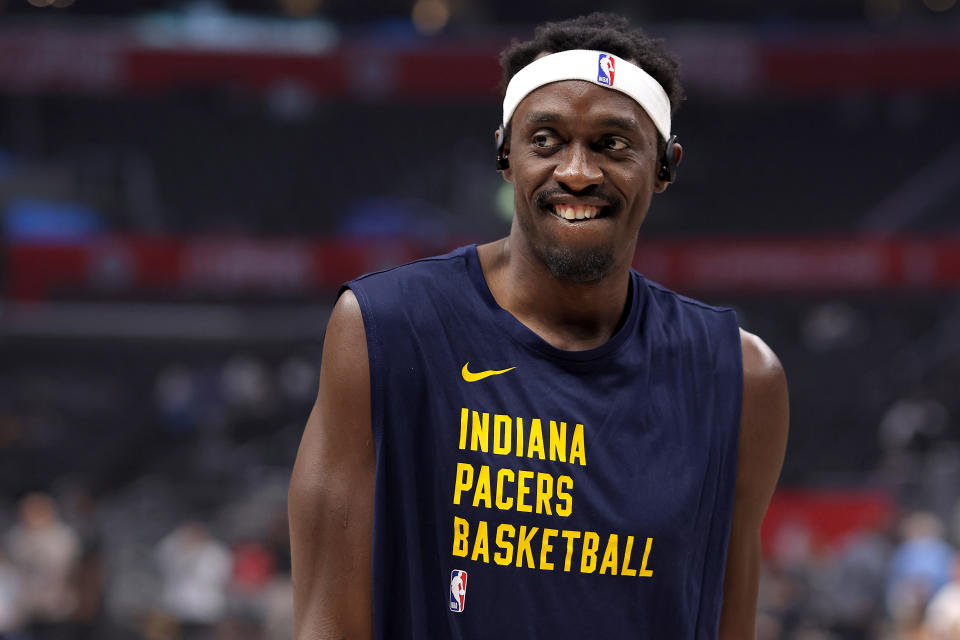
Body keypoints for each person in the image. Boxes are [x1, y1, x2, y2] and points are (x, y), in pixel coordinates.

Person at [289, 12, 789, 639]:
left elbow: (728, 624)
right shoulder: (386, 329)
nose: (577, 172)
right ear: (505, 153)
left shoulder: (741, 377)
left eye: (614, 144)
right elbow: (326, 624)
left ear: (665, 165)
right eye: (546, 140)